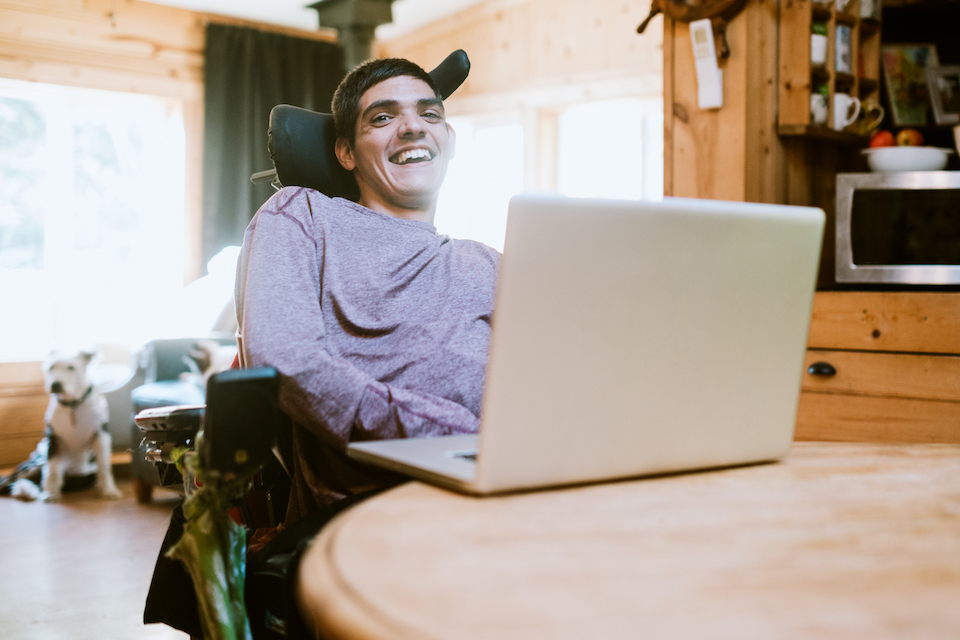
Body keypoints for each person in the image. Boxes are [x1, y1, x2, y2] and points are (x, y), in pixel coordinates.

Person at [235, 57, 501, 524]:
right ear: (345, 153)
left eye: (430, 114)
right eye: (382, 117)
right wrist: (460, 437)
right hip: (379, 513)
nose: (412, 127)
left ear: (450, 140)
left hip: (510, 490)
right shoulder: (303, 215)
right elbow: (286, 359)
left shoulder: (486, 262)